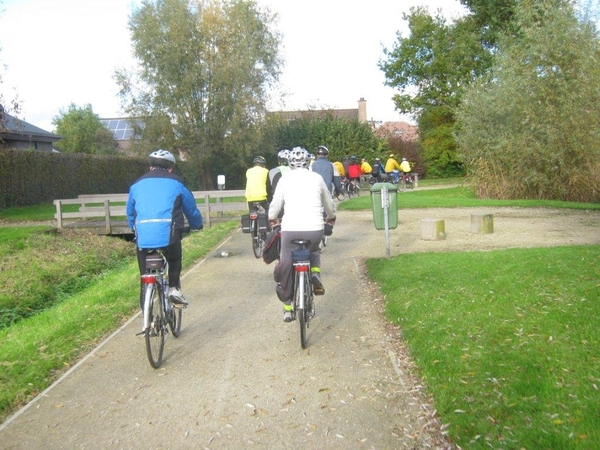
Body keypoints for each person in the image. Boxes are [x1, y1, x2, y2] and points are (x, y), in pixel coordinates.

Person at [126, 149, 203, 307]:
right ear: (170, 168)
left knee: (145, 274)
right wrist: (197, 225)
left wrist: (133, 229)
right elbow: (191, 209)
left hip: (143, 236)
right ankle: (174, 289)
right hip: (169, 235)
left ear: (150, 166)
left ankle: (146, 307)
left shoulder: (136, 185)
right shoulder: (177, 183)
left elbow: (130, 212)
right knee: (174, 260)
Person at [268, 147, 336, 322]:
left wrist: (272, 218)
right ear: (308, 162)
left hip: (290, 229)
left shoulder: (285, 179)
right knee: (314, 249)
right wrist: (331, 217)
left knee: (286, 260)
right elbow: (328, 202)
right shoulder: (317, 178)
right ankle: (314, 272)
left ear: (290, 163)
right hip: (314, 229)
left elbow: (275, 204)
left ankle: (288, 308)